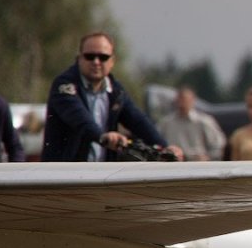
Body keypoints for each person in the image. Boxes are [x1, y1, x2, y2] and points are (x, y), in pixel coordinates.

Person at [42, 32, 178, 162]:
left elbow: (138, 121)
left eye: (103, 57)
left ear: (112, 61)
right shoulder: (64, 86)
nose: (96, 62)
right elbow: (79, 119)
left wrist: (165, 147)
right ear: (79, 59)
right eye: (90, 56)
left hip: (102, 175)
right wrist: (102, 136)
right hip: (65, 175)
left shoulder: (115, 90)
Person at [156, 85, 227, 161]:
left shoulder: (203, 121)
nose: (181, 103)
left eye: (184, 99)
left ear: (192, 100)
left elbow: (218, 143)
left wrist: (208, 157)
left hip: (198, 164)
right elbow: (157, 143)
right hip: (175, 163)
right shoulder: (166, 123)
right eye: (179, 99)